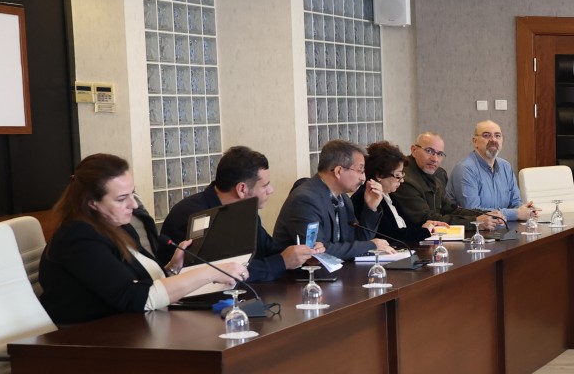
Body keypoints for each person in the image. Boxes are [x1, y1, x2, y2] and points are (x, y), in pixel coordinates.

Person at [38, 153, 244, 325]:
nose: (134, 205)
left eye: (132, 194)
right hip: (88, 340)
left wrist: (172, 268)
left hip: (132, 326)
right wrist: (209, 272)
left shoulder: (120, 227)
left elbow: (142, 284)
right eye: (122, 198)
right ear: (92, 202)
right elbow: (136, 297)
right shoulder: (77, 238)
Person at [160, 146, 323, 283]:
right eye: (265, 186)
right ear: (242, 189)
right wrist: (282, 262)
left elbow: (269, 250)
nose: (271, 190)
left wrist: (303, 255)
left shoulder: (246, 210)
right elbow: (222, 272)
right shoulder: (193, 215)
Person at [274, 139, 393, 259]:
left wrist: (371, 207)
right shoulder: (305, 200)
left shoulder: (343, 198)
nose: (363, 178)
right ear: (338, 171)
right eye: (360, 171)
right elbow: (316, 252)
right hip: (303, 270)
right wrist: (371, 245)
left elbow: (356, 241)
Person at [392, 131, 503, 233]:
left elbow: (451, 209)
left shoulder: (437, 175)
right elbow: (425, 219)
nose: (435, 159)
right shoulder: (404, 179)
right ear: (414, 150)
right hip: (413, 242)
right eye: (429, 151)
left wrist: (486, 214)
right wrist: (475, 222)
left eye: (439, 154)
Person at [450, 121, 536, 224]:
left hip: (504, 227)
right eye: (487, 135)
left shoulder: (506, 166)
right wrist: (516, 213)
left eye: (497, 135)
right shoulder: (465, 169)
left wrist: (526, 210)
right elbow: (473, 212)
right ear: (475, 141)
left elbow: (516, 202)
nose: (493, 140)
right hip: (474, 231)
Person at [360, 141, 429, 247]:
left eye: (402, 175)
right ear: (379, 175)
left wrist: (428, 225)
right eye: (398, 176)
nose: (402, 180)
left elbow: (406, 226)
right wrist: (425, 231)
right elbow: (390, 236)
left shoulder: (389, 194)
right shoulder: (366, 196)